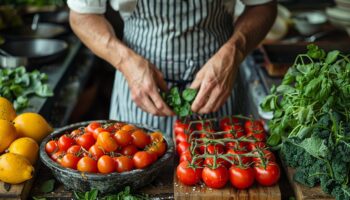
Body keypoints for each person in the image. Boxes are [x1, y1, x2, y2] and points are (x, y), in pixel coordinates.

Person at [67, 0, 277, 135]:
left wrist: (235, 51)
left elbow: (263, 6)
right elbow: (82, 15)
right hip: (136, 82)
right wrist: (125, 61)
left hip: (220, 79)